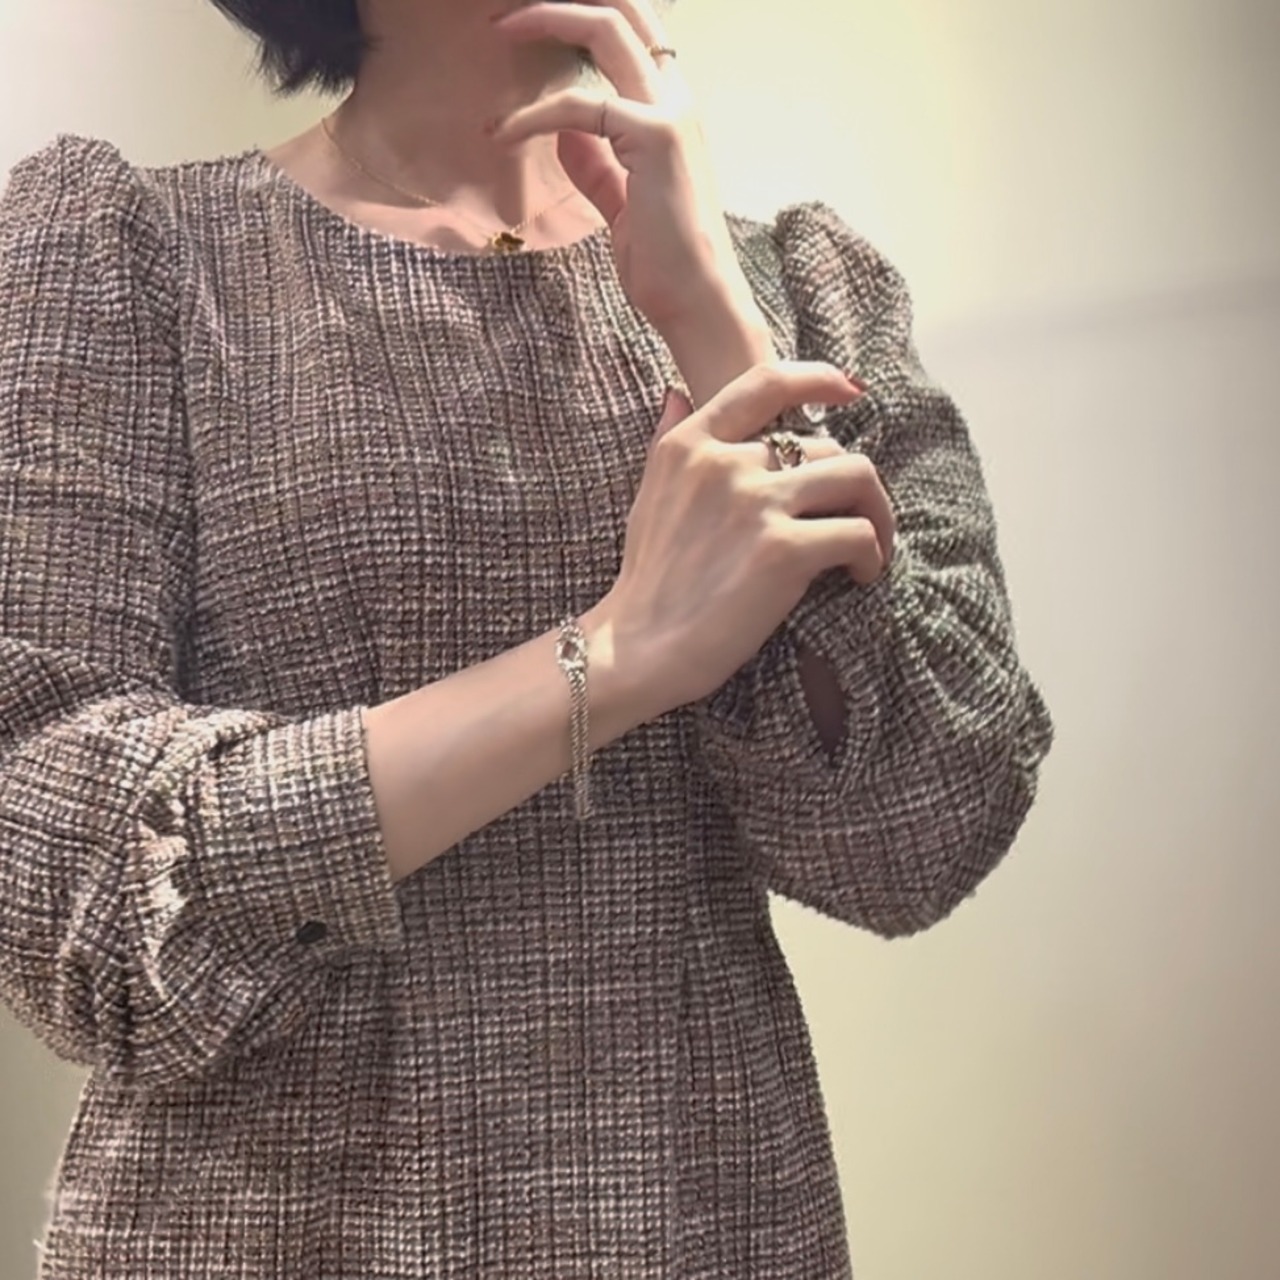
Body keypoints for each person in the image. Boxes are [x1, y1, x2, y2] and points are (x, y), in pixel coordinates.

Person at [0, 1, 1055, 1276]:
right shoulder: (135, 255)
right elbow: (60, 878)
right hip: (269, 1227)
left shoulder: (807, 291)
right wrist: (612, 655)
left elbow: (921, 838)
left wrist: (718, 328)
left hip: (694, 1216)